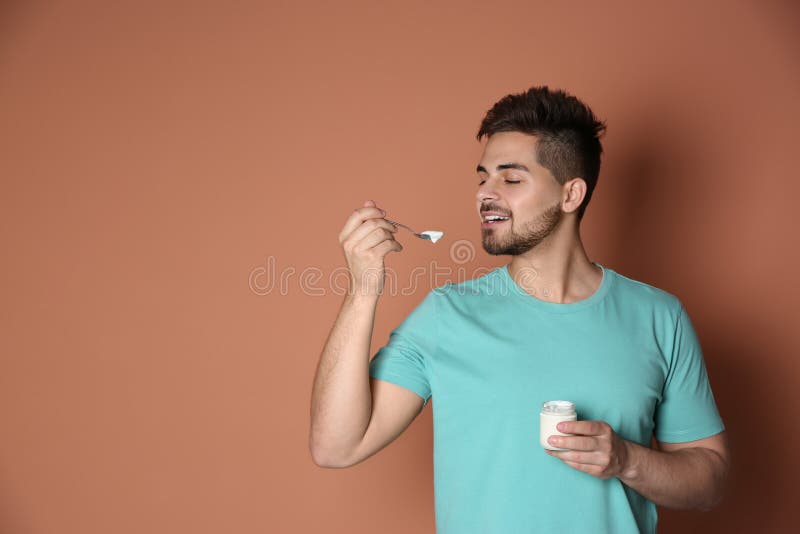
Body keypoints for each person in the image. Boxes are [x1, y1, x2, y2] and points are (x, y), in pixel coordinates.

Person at [309, 86, 730, 533]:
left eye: (510, 179)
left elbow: (710, 482)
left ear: (571, 195)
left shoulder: (659, 317)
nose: (485, 195)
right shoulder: (447, 316)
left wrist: (627, 460)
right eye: (482, 177)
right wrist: (362, 288)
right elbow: (335, 447)